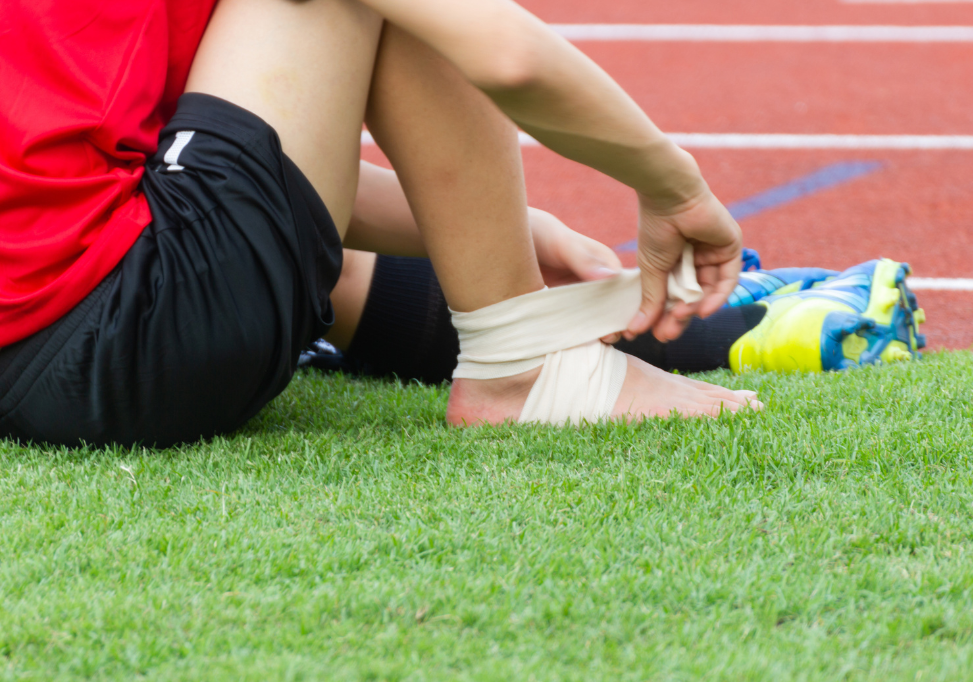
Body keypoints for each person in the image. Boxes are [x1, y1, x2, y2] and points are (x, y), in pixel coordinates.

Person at [0, 0, 762, 448]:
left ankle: (735, 325)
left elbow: (213, 168)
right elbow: (505, 56)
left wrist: (513, 228)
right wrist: (675, 187)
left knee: (341, 273)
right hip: (129, 340)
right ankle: (520, 367)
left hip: (24, 357)